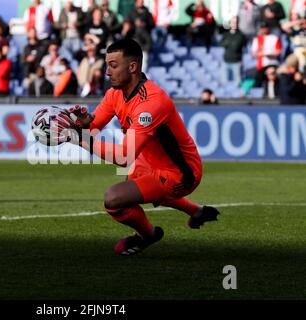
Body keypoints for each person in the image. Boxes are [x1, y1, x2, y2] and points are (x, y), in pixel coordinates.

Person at [51, 38, 220, 256]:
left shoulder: (151, 103)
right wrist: (81, 124)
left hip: (181, 172)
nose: (107, 72)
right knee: (132, 193)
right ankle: (196, 211)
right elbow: (93, 125)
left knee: (114, 199)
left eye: (113, 66)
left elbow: (124, 156)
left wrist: (81, 140)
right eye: (107, 65)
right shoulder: (115, 93)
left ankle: (148, 235)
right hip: (149, 159)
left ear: (132, 67)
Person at [220, 16, 247, 85]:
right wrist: (229, 43)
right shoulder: (226, 34)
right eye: (232, 22)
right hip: (226, 61)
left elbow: (237, 46)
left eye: (236, 22)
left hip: (236, 61)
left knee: (238, 82)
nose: (234, 24)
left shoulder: (241, 35)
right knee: (225, 82)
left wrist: (229, 43)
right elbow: (222, 44)